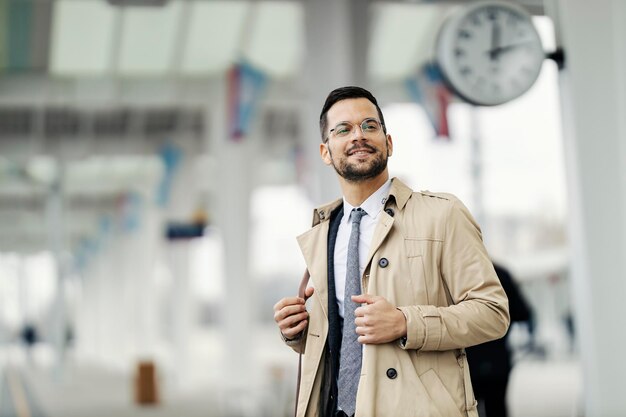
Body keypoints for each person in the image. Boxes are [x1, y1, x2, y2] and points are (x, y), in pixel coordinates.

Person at [273, 86, 510, 417]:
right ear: (326, 152)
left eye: (370, 126)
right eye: (344, 129)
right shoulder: (324, 232)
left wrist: (405, 322)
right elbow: (342, 341)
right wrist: (299, 332)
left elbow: (492, 313)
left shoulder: (442, 214)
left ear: (389, 143)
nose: (359, 135)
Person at [466, 263, 532, 417]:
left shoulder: (459, 275)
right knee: (497, 408)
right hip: (498, 360)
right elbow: (523, 312)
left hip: (468, 362)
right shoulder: (501, 273)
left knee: (469, 411)